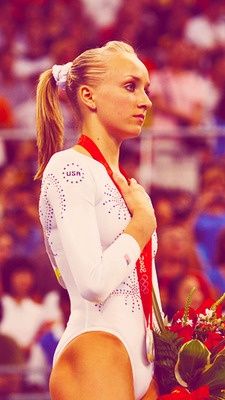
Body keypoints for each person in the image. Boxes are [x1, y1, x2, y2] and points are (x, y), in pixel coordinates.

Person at [35, 40, 161, 400]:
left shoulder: (127, 185)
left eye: (146, 89)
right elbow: (91, 282)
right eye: (130, 86)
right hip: (97, 347)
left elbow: (144, 283)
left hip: (144, 361)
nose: (146, 101)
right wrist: (140, 227)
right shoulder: (69, 167)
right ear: (89, 96)